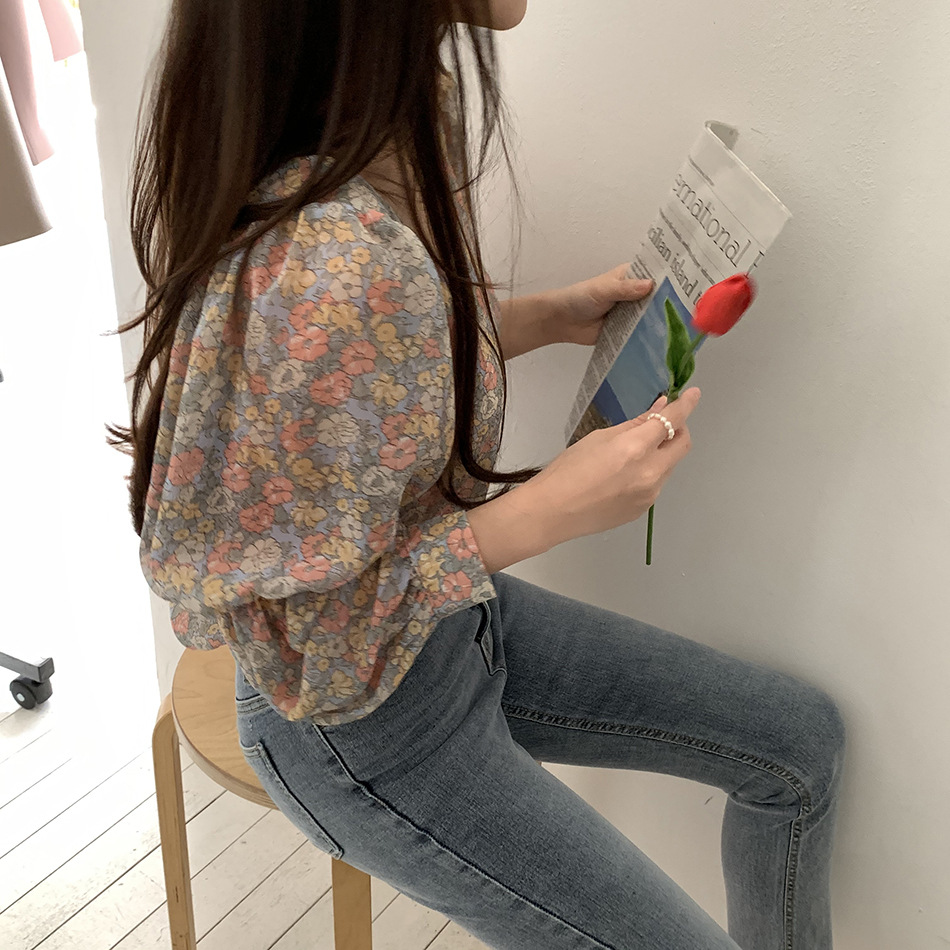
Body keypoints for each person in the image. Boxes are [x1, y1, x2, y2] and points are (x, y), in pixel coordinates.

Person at [107, 2, 847, 947]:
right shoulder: (331, 256)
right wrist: (543, 513)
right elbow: (316, 633)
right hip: (356, 715)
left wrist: (536, 318)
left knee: (796, 745)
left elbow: (351, 387)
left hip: (450, 627)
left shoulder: (385, 123)